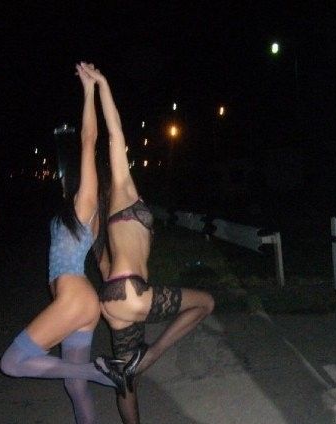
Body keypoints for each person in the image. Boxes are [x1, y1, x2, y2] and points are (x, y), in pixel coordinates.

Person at [89, 66, 215, 424]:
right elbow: (114, 132)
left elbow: (103, 267)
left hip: (112, 298)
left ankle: (130, 369)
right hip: (131, 292)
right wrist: (103, 84)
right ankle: (150, 356)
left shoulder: (101, 216)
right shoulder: (123, 189)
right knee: (205, 303)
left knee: (125, 379)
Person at [0, 62, 116, 424]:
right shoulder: (79, 211)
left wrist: (89, 90)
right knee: (74, 387)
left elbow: (88, 139)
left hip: (74, 297)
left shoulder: (85, 203)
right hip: (80, 302)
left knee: (12, 362)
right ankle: (94, 374)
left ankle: (99, 371)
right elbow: (103, 264)